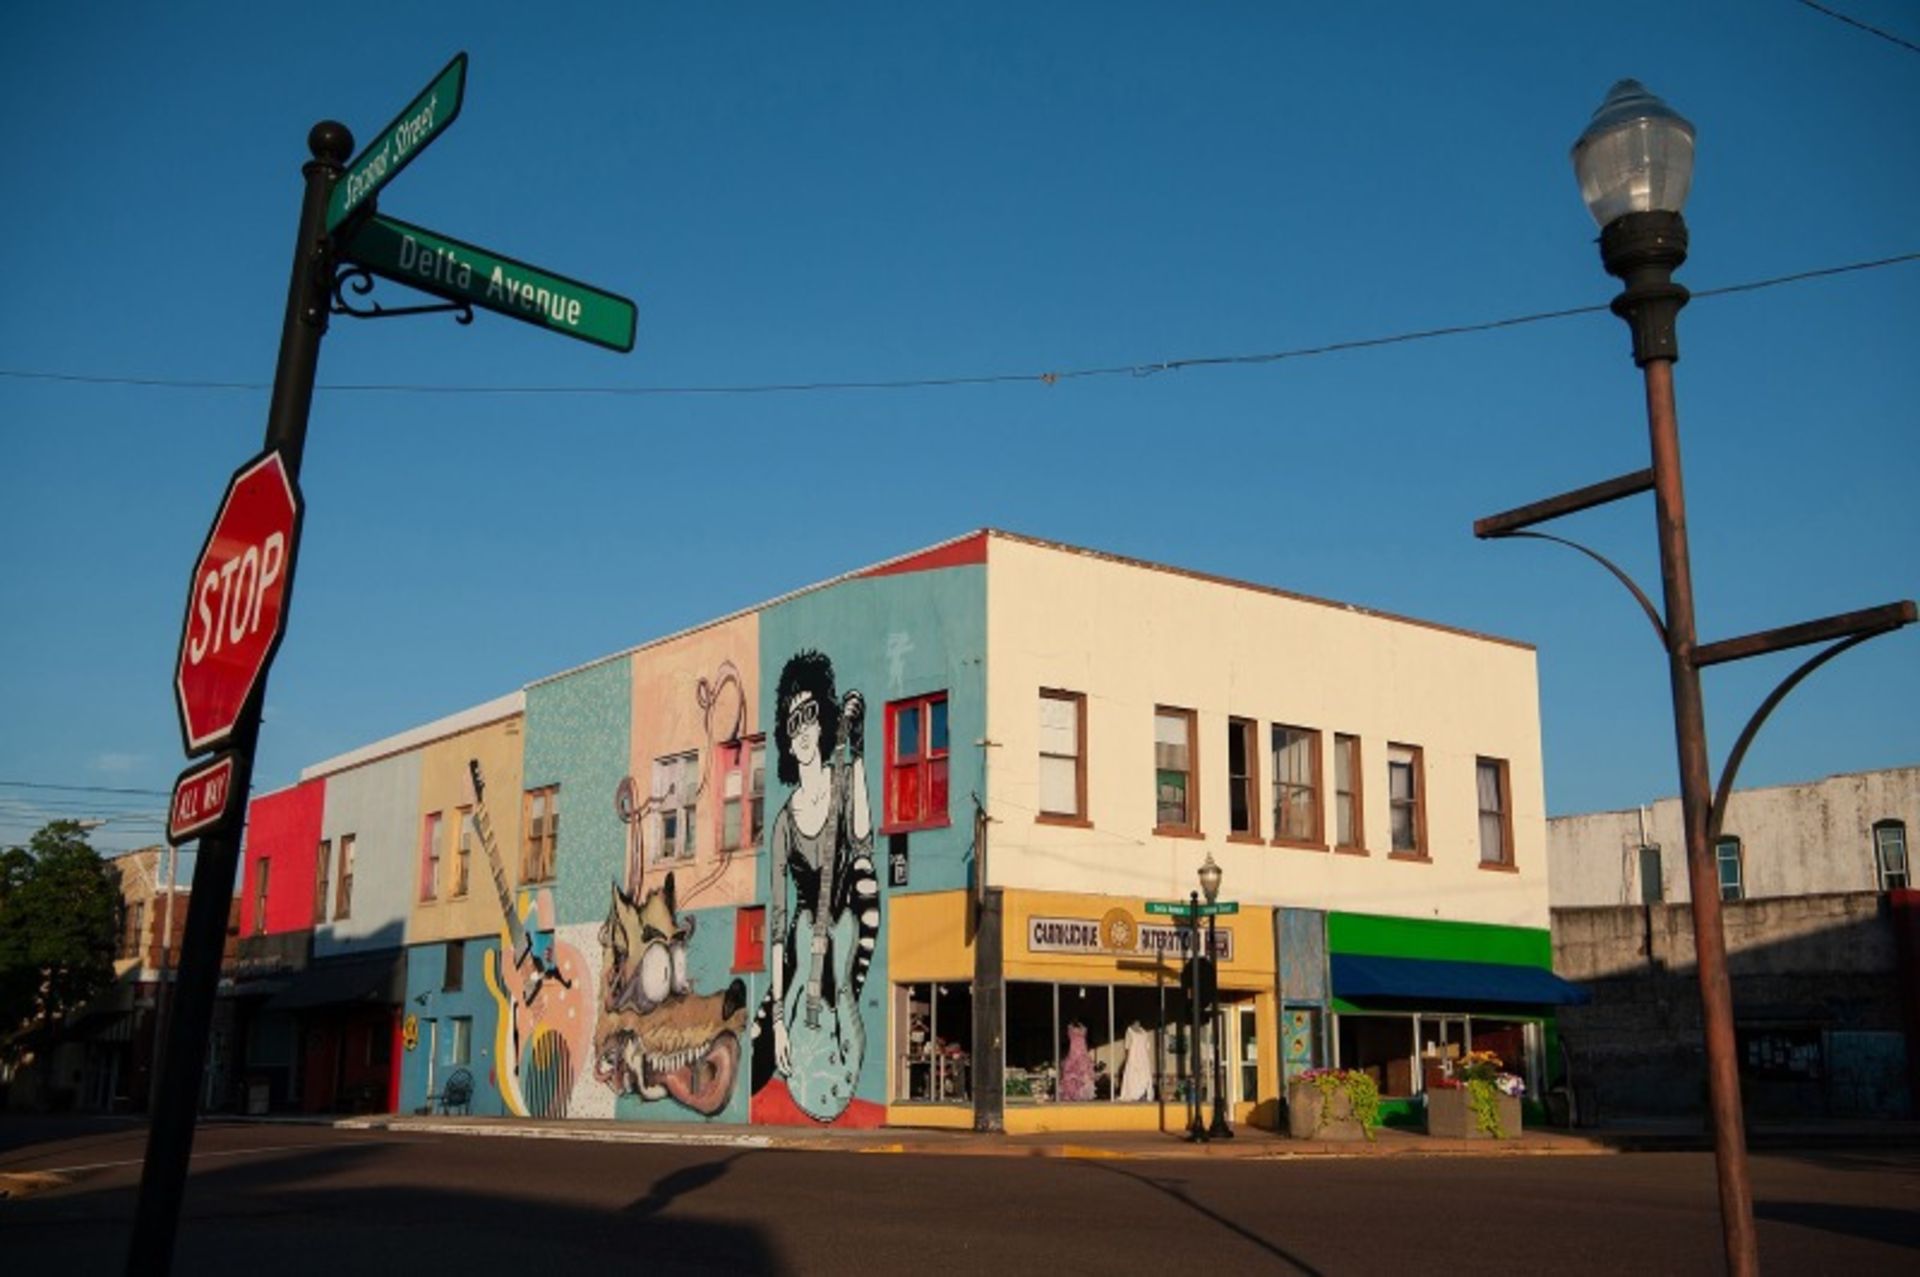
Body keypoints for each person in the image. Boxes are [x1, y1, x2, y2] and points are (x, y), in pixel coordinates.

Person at [750, 650, 880, 1119]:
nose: (801, 729)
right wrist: (781, 1022)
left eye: (808, 715)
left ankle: (840, 1005)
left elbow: (863, 838)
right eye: (791, 721)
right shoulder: (784, 822)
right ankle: (790, 1029)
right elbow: (779, 923)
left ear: (824, 719)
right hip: (802, 943)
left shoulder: (843, 779)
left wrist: (858, 755)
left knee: (866, 880)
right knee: (761, 1041)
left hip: (848, 919)